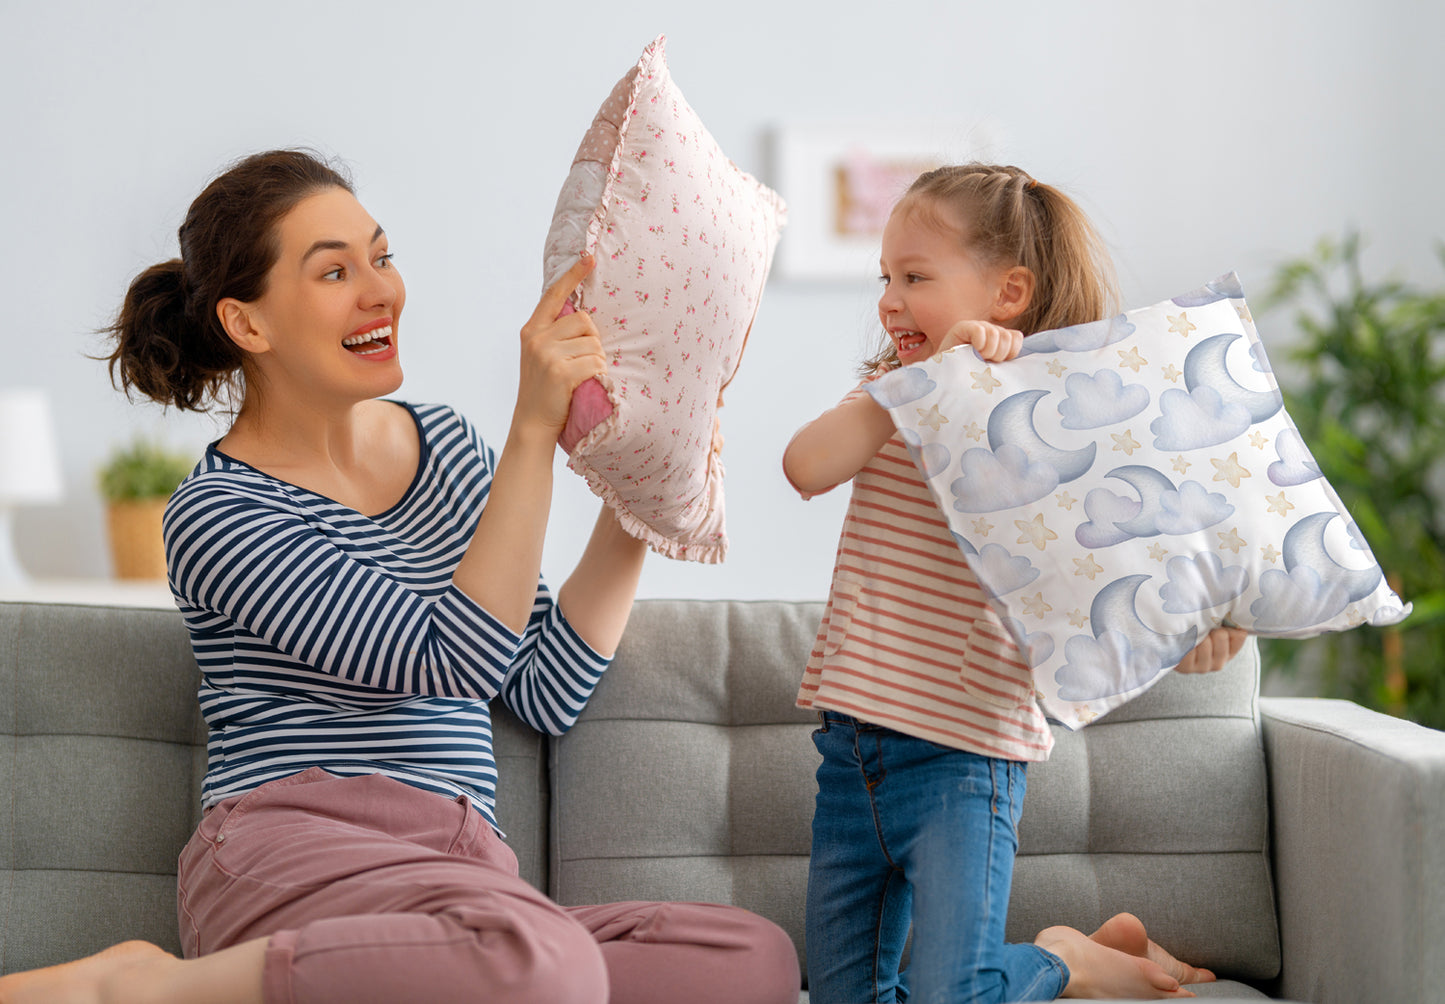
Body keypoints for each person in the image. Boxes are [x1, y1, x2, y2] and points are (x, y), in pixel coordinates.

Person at [0, 149, 799, 1004]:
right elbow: (452, 660)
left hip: (462, 868)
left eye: (380, 257)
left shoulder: (446, 449)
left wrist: (640, 488)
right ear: (248, 324)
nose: (380, 290)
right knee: (541, 963)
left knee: (745, 957)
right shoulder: (217, 515)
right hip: (296, 848)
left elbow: (542, 688)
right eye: (335, 271)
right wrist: (532, 429)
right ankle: (142, 988)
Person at [782, 163, 1247, 1003]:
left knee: (947, 994)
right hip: (851, 758)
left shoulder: (1062, 426)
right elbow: (803, 466)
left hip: (964, 762)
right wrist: (921, 384)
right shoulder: (894, 396)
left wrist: (1203, 633)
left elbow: (1117, 590)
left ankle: (1066, 960)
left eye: (915, 276)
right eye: (884, 276)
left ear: (1008, 291)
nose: (888, 298)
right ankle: (1075, 955)